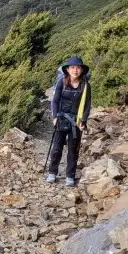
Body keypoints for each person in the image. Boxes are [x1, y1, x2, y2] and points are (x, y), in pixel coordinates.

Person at [46, 56, 91, 186]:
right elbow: (55, 101)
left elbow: (87, 105)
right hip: (61, 118)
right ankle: (52, 172)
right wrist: (54, 117)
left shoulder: (86, 86)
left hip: (76, 121)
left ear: (82, 69)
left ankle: (70, 176)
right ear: (68, 69)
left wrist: (84, 120)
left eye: (78, 67)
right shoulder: (62, 82)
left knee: (73, 149)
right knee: (57, 147)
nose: (75, 70)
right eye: (72, 67)